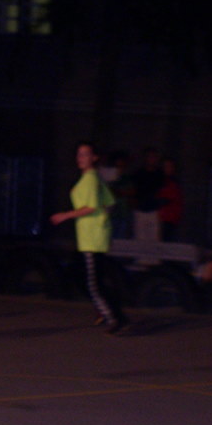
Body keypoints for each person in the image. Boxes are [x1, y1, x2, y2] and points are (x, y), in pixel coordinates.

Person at [50, 141, 128, 333]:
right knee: (79, 276)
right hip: (88, 237)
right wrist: (103, 220)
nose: (80, 158)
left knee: (93, 284)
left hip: (92, 239)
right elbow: (110, 203)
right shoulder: (94, 178)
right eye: (79, 154)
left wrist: (65, 215)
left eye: (85, 154)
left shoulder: (91, 178)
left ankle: (115, 318)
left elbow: (91, 207)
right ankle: (106, 309)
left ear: (94, 158)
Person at [132, 147, 164, 241]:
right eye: (149, 157)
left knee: (154, 240)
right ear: (145, 158)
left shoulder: (160, 174)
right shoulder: (138, 173)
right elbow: (133, 190)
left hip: (154, 211)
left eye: (154, 157)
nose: (151, 159)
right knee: (140, 240)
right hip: (140, 210)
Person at [108, 150, 135, 239]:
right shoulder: (109, 179)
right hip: (111, 214)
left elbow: (131, 191)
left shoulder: (126, 178)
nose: (119, 169)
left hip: (124, 213)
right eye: (117, 166)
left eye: (122, 166)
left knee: (122, 239)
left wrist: (120, 192)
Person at [157, 157, 183, 242]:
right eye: (165, 166)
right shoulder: (161, 180)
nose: (166, 168)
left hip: (168, 219)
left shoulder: (173, 183)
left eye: (169, 166)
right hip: (161, 218)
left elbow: (166, 199)